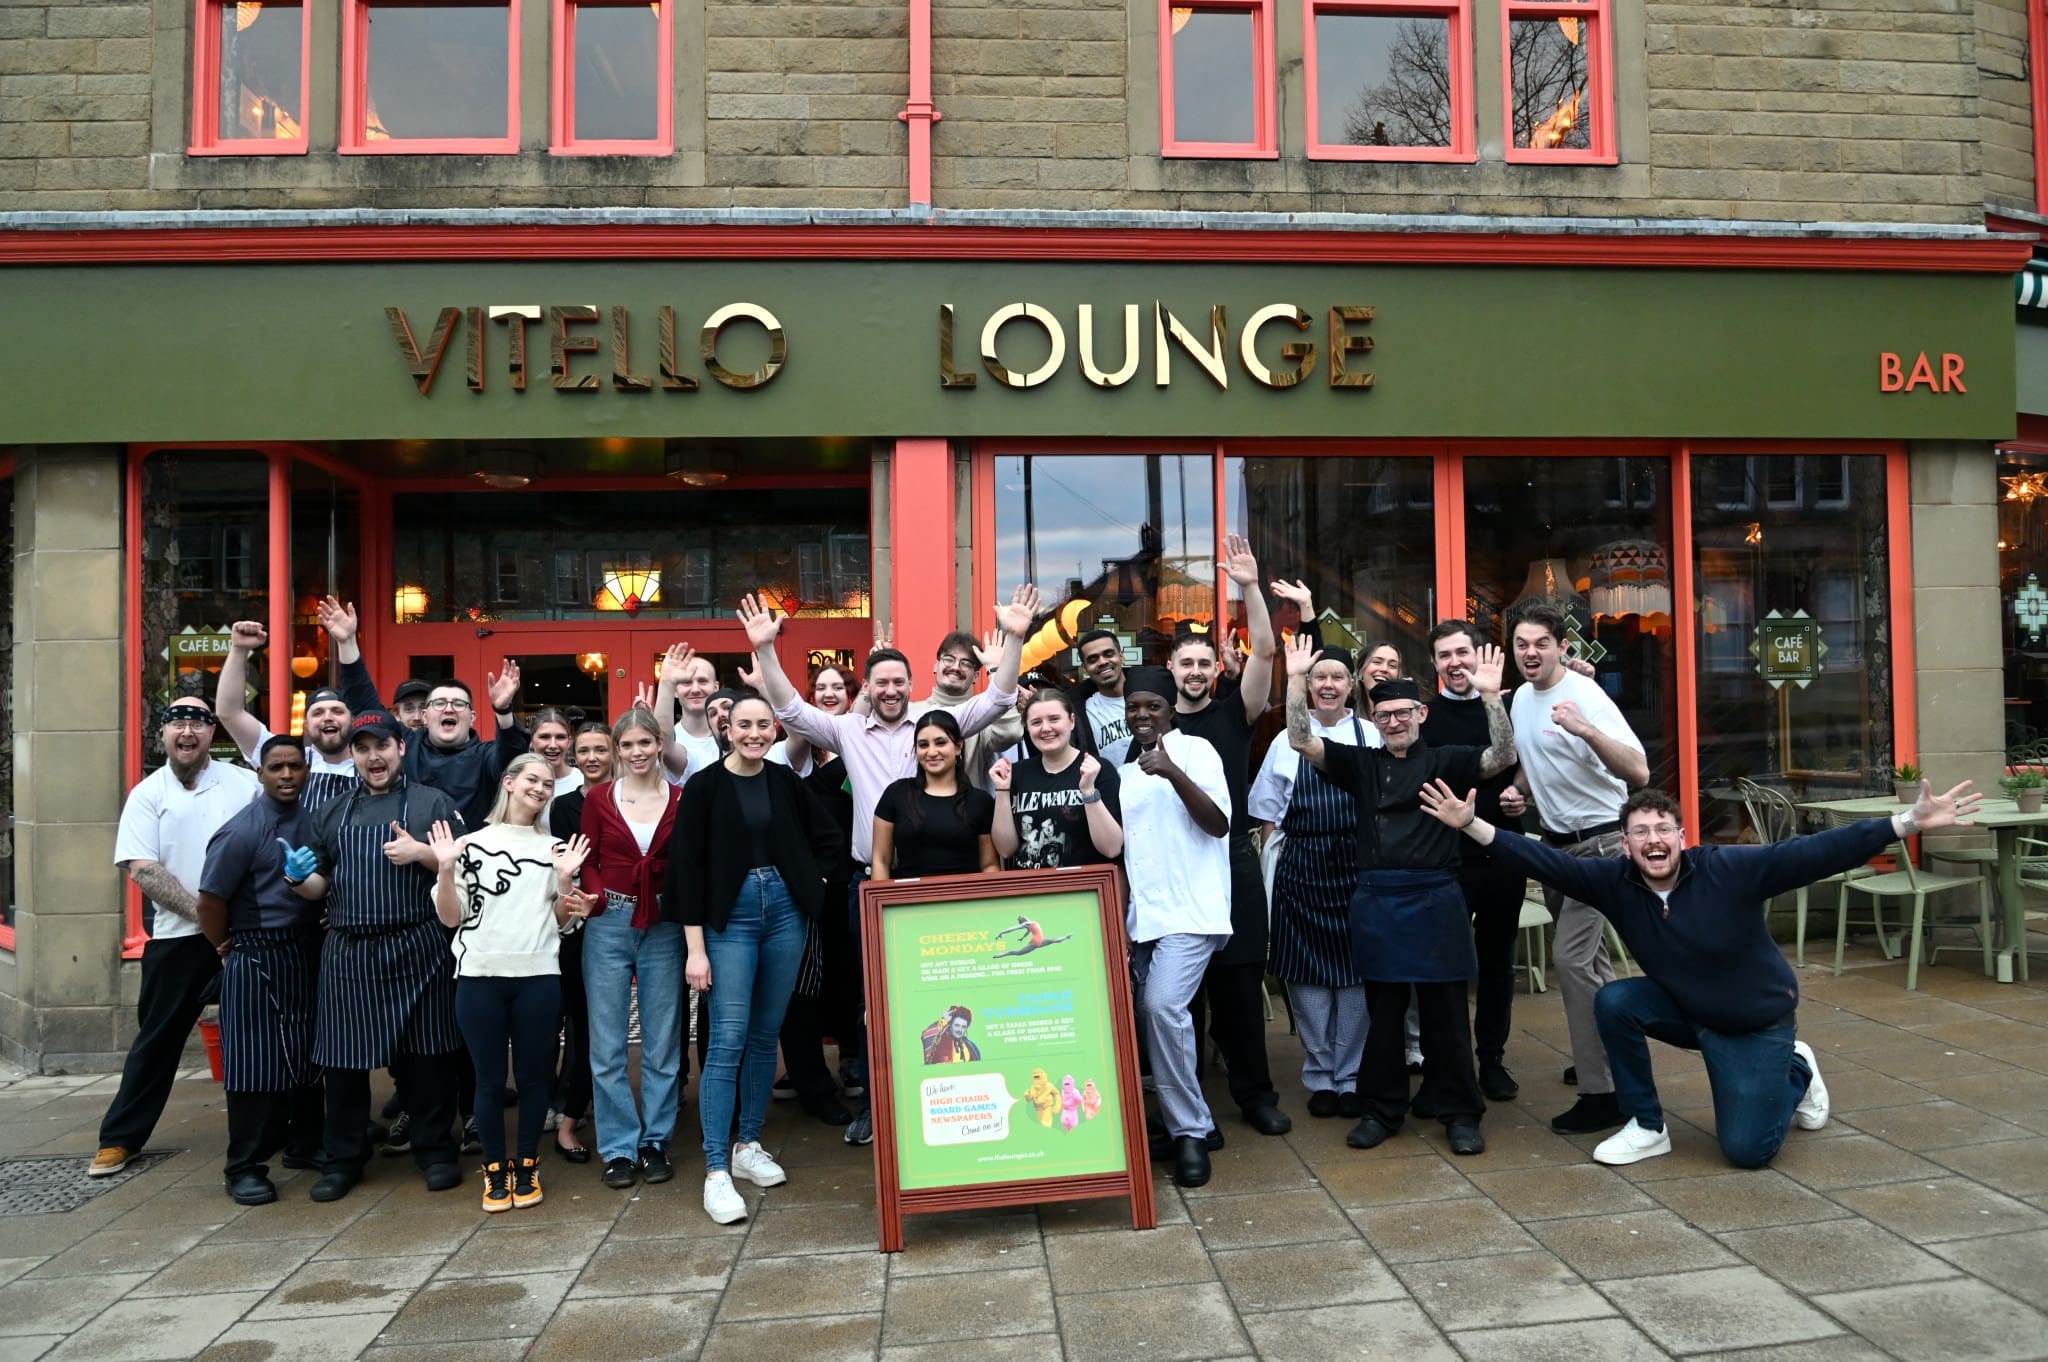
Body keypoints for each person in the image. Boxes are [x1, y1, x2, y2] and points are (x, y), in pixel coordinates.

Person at [1419, 781, 1982, 1167]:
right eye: (1640, 832)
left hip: (1752, 1022)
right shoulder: (1615, 883)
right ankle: (1646, 1125)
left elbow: (1814, 853)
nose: (1653, 840)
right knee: (1614, 1000)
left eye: (1663, 828)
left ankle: (1795, 1071)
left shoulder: (1728, 870)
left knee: (1747, 1152)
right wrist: (1473, 826)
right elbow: (1545, 861)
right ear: (1625, 843)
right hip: (1688, 1012)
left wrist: (1906, 821)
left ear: (1682, 835)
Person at [741, 583, 1038, 1145]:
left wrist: (1017, 639)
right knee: (874, 999)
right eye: (881, 682)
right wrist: (766, 651)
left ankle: (962, 1096)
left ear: (911, 684)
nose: (892, 690)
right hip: (872, 882)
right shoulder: (848, 728)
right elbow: (789, 710)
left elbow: (997, 701)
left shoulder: (934, 725)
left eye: (899, 681)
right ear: (869, 689)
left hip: (941, 883)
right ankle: (878, 1104)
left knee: (950, 998)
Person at [1283, 633, 1517, 1157]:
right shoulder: (1360, 764)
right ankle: (1382, 1110)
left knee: (1446, 1014)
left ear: (1421, 714)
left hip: (1437, 898)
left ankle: (1460, 1112)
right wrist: (1297, 679)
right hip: (1378, 901)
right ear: (1374, 717)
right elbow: (1302, 740)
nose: (1394, 722)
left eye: (1403, 713)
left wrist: (1491, 696)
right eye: (1384, 714)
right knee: (1384, 1016)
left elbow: (1503, 755)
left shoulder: (1448, 761)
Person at [671, 694, 845, 1223]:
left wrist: (808, 884)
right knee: (727, 1038)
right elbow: (686, 872)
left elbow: (829, 839)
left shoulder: (784, 782)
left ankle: (748, 1145)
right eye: (743, 724)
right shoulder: (704, 787)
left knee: (765, 1035)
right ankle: (716, 1171)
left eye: (762, 725)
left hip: (784, 916)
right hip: (730, 920)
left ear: (774, 730)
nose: (753, 733)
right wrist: (695, 950)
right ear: (726, 727)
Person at [291, 709, 468, 1201]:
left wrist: (423, 855)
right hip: (349, 949)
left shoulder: (432, 803)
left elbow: (464, 867)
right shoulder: (330, 812)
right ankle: (343, 1159)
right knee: (344, 1065)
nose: (374, 757)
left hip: (420, 943)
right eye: (363, 748)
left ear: (401, 749)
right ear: (352, 754)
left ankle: (435, 1150)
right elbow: (318, 885)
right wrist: (296, 878)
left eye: (382, 746)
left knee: (428, 1057)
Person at [92, 696, 260, 1178]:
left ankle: (272, 1131)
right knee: (158, 1040)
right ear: (162, 735)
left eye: (198, 724)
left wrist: (230, 925)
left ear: (213, 733)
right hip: (178, 939)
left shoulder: (244, 783)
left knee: (261, 1037)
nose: (188, 732)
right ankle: (120, 1138)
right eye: (178, 723)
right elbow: (143, 869)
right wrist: (209, 921)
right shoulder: (148, 794)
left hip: (245, 935)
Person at [1505, 603, 1649, 1135]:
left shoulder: (1586, 695)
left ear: (1563, 646)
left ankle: (1602, 1092)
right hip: (1556, 849)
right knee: (1593, 967)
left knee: (1568, 960)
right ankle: (1610, 1059)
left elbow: (1638, 769)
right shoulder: (1521, 698)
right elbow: (1532, 759)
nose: (1530, 652)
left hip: (1602, 846)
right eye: (1522, 643)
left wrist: (1587, 730)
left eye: (1541, 642)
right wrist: (1518, 791)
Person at [431, 753, 591, 1213]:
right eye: (532, 780)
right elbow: (450, 916)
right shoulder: (470, 844)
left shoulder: (557, 848)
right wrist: (444, 868)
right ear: (509, 783)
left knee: (534, 1076)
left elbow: (562, 923)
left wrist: (565, 882)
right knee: (487, 1080)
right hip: (479, 974)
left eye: (547, 783)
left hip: (538, 974)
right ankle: (494, 1170)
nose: (540, 789)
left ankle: (526, 1165)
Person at [1168, 534, 1289, 1138]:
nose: (1194, 672)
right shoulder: (1151, 723)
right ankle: (1190, 1109)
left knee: (1241, 986)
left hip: (1233, 860)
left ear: (1217, 668)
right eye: (1184, 663)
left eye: (1202, 663)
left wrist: (1248, 586)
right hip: (1175, 871)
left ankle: (1256, 1094)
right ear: (1172, 671)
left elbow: (1265, 653)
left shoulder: (1234, 713)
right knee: (1182, 997)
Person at [1117, 666, 1233, 1188]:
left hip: (1192, 909)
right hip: (1145, 917)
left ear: (1171, 709)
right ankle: (1194, 1123)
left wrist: (1173, 773)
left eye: (1153, 707)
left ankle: (1188, 1132)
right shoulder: (1121, 763)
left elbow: (1219, 823)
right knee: (1154, 1018)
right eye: (1134, 707)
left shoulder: (1197, 752)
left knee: (1162, 1006)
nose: (1142, 716)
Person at [194, 735, 322, 1204]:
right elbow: (209, 901)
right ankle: (243, 1166)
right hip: (254, 952)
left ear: (306, 769)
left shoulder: (314, 820)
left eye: (294, 766)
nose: (286, 775)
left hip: (306, 950)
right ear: (259, 773)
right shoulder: (241, 831)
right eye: (276, 768)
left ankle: (306, 1145)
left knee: (311, 1055)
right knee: (252, 1066)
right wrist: (224, 946)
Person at [1250, 640, 1373, 1119]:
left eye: (1337, 677)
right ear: (1307, 683)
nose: (1327, 685)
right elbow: (1266, 817)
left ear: (1351, 685)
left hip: (1358, 868)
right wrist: (1269, 878)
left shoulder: (1371, 735)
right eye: (1318, 676)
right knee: (1305, 978)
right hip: (1300, 867)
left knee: (1356, 976)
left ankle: (1352, 1075)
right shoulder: (1284, 740)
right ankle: (1321, 1074)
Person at [576, 705, 686, 1191]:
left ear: (659, 744)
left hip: (664, 921)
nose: (637, 752)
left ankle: (655, 1140)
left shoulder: (681, 798)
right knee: (608, 1041)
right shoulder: (600, 798)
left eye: (645, 742)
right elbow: (589, 857)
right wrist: (597, 898)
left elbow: (689, 862)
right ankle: (618, 1146)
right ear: (617, 751)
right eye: (628, 745)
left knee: (662, 1039)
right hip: (609, 920)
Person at [1422, 620, 1530, 1103]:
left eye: (1462, 652)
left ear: (1479, 655)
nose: (1455, 662)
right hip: (1446, 858)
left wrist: (1519, 793)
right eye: (1445, 655)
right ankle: (1444, 1064)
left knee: (1497, 962)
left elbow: (1525, 760)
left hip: (1503, 851)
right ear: (1435, 664)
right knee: (1443, 966)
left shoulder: (1507, 706)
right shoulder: (1424, 716)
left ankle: (1492, 1060)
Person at [324, 596, 531, 830]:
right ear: (424, 716)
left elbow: (513, 758)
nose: (449, 708)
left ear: (472, 718)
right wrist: (347, 643)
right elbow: (364, 704)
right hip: (403, 857)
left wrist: (502, 710)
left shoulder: (485, 756)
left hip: (467, 861)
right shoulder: (405, 744)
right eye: (440, 703)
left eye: (459, 704)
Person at [772, 665, 861, 1127]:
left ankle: (852, 1063)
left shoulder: (860, 746)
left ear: (852, 697)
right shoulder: (792, 753)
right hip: (803, 886)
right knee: (802, 984)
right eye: (820, 688)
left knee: (850, 977)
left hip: (851, 879)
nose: (829, 694)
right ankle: (808, 1077)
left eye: (839, 688)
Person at [216, 620, 375, 812]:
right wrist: (239, 650)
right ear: (306, 724)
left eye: (337, 711)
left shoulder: (374, 762)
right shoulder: (284, 756)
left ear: (352, 720)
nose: (328, 717)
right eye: (318, 712)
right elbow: (230, 713)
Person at [545, 721, 613, 1163]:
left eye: (599, 750)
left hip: (622, 915)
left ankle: (614, 1113)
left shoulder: (627, 795)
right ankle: (568, 1116)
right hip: (575, 926)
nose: (591, 758)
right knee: (582, 1025)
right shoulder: (563, 805)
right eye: (583, 751)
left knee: (609, 1029)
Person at [990, 691, 1122, 870]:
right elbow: (1005, 850)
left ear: (1072, 721)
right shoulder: (1016, 774)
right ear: (1027, 728)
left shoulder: (1098, 769)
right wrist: (1002, 790)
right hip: (1029, 891)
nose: (1045, 728)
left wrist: (1089, 792)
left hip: (1083, 889)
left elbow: (1112, 848)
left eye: (1054, 719)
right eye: (1036, 722)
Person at [871, 712, 1000, 881]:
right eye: (923, 745)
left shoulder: (980, 801)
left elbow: (989, 865)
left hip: (967, 902)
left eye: (940, 743)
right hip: (907, 902)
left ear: (958, 746)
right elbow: (880, 860)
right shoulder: (896, 794)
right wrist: (881, 904)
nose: (932, 752)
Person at [919, 630, 1026, 789]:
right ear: (936, 665)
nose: (955, 667)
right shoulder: (913, 712)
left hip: (970, 811)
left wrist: (995, 670)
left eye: (966, 663)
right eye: (949, 659)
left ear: (976, 676)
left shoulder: (983, 716)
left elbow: (1011, 733)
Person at [653, 643, 723, 781]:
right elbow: (663, 742)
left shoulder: (732, 737)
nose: (695, 689)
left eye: (702, 681)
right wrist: (667, 683)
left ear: (716, 688)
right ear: (675, 691)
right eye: (686, 682)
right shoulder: (670, 741)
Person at [1070, 629, 1133, 764]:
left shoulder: (1150, 695)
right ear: (1085, 668)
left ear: (1121, 657)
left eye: (1108, 654)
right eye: (1093, 659)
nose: (1102, 662)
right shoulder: (1081, 712)